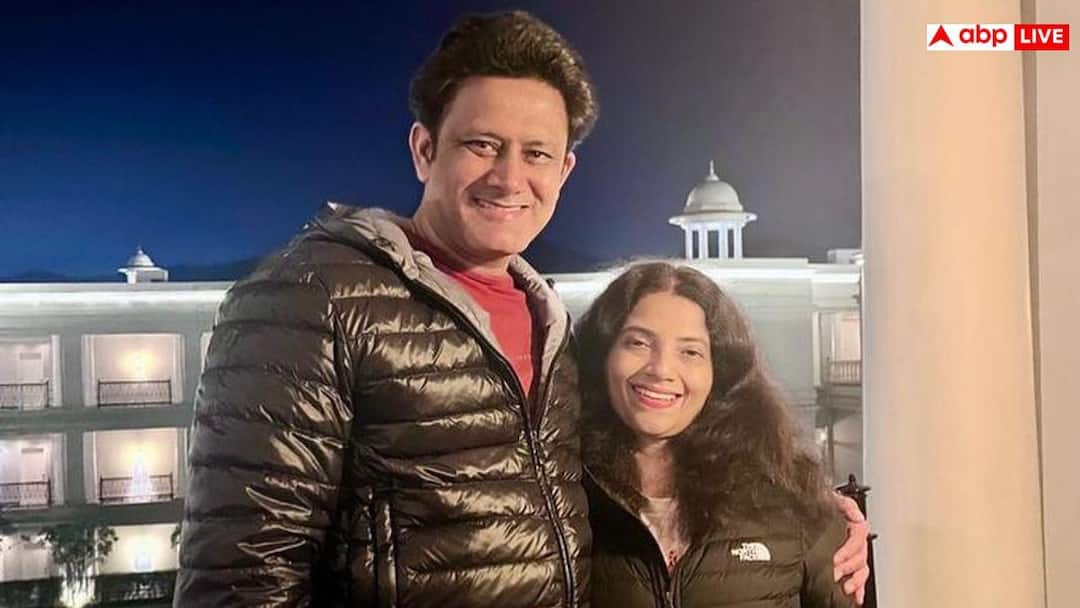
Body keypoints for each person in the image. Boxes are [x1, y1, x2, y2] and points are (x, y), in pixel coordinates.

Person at [175, 10, 869, 607]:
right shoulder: (311, 300)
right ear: (424, 149)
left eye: (536, 153)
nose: (510, 178)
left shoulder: (553, 327)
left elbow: (649, 448)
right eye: (482, 145)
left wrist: (820, 519)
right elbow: (242, 578)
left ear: (563, 172)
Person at [578, 262, 860, 607]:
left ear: (720, 371)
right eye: (638, 342)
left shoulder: (791, 497)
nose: (661, 369)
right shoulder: (564, 500)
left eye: (690, 352)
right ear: (603, 355)